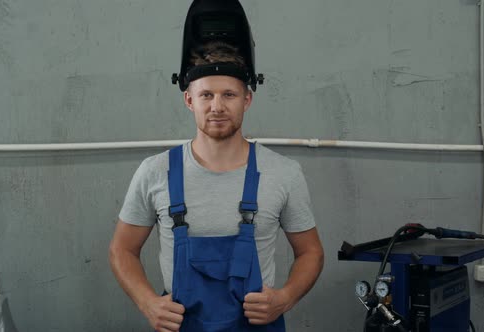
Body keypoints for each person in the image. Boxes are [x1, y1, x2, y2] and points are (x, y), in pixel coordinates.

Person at [109, 41, 324, 332]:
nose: (217, 107)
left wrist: (284, 298)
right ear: (189, 100)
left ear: (247, 100)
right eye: (206, 95)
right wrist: (148, 303)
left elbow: (311, 252)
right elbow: (122, 249)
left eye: (229, 95)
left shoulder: (283, 173)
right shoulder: (155, 172)